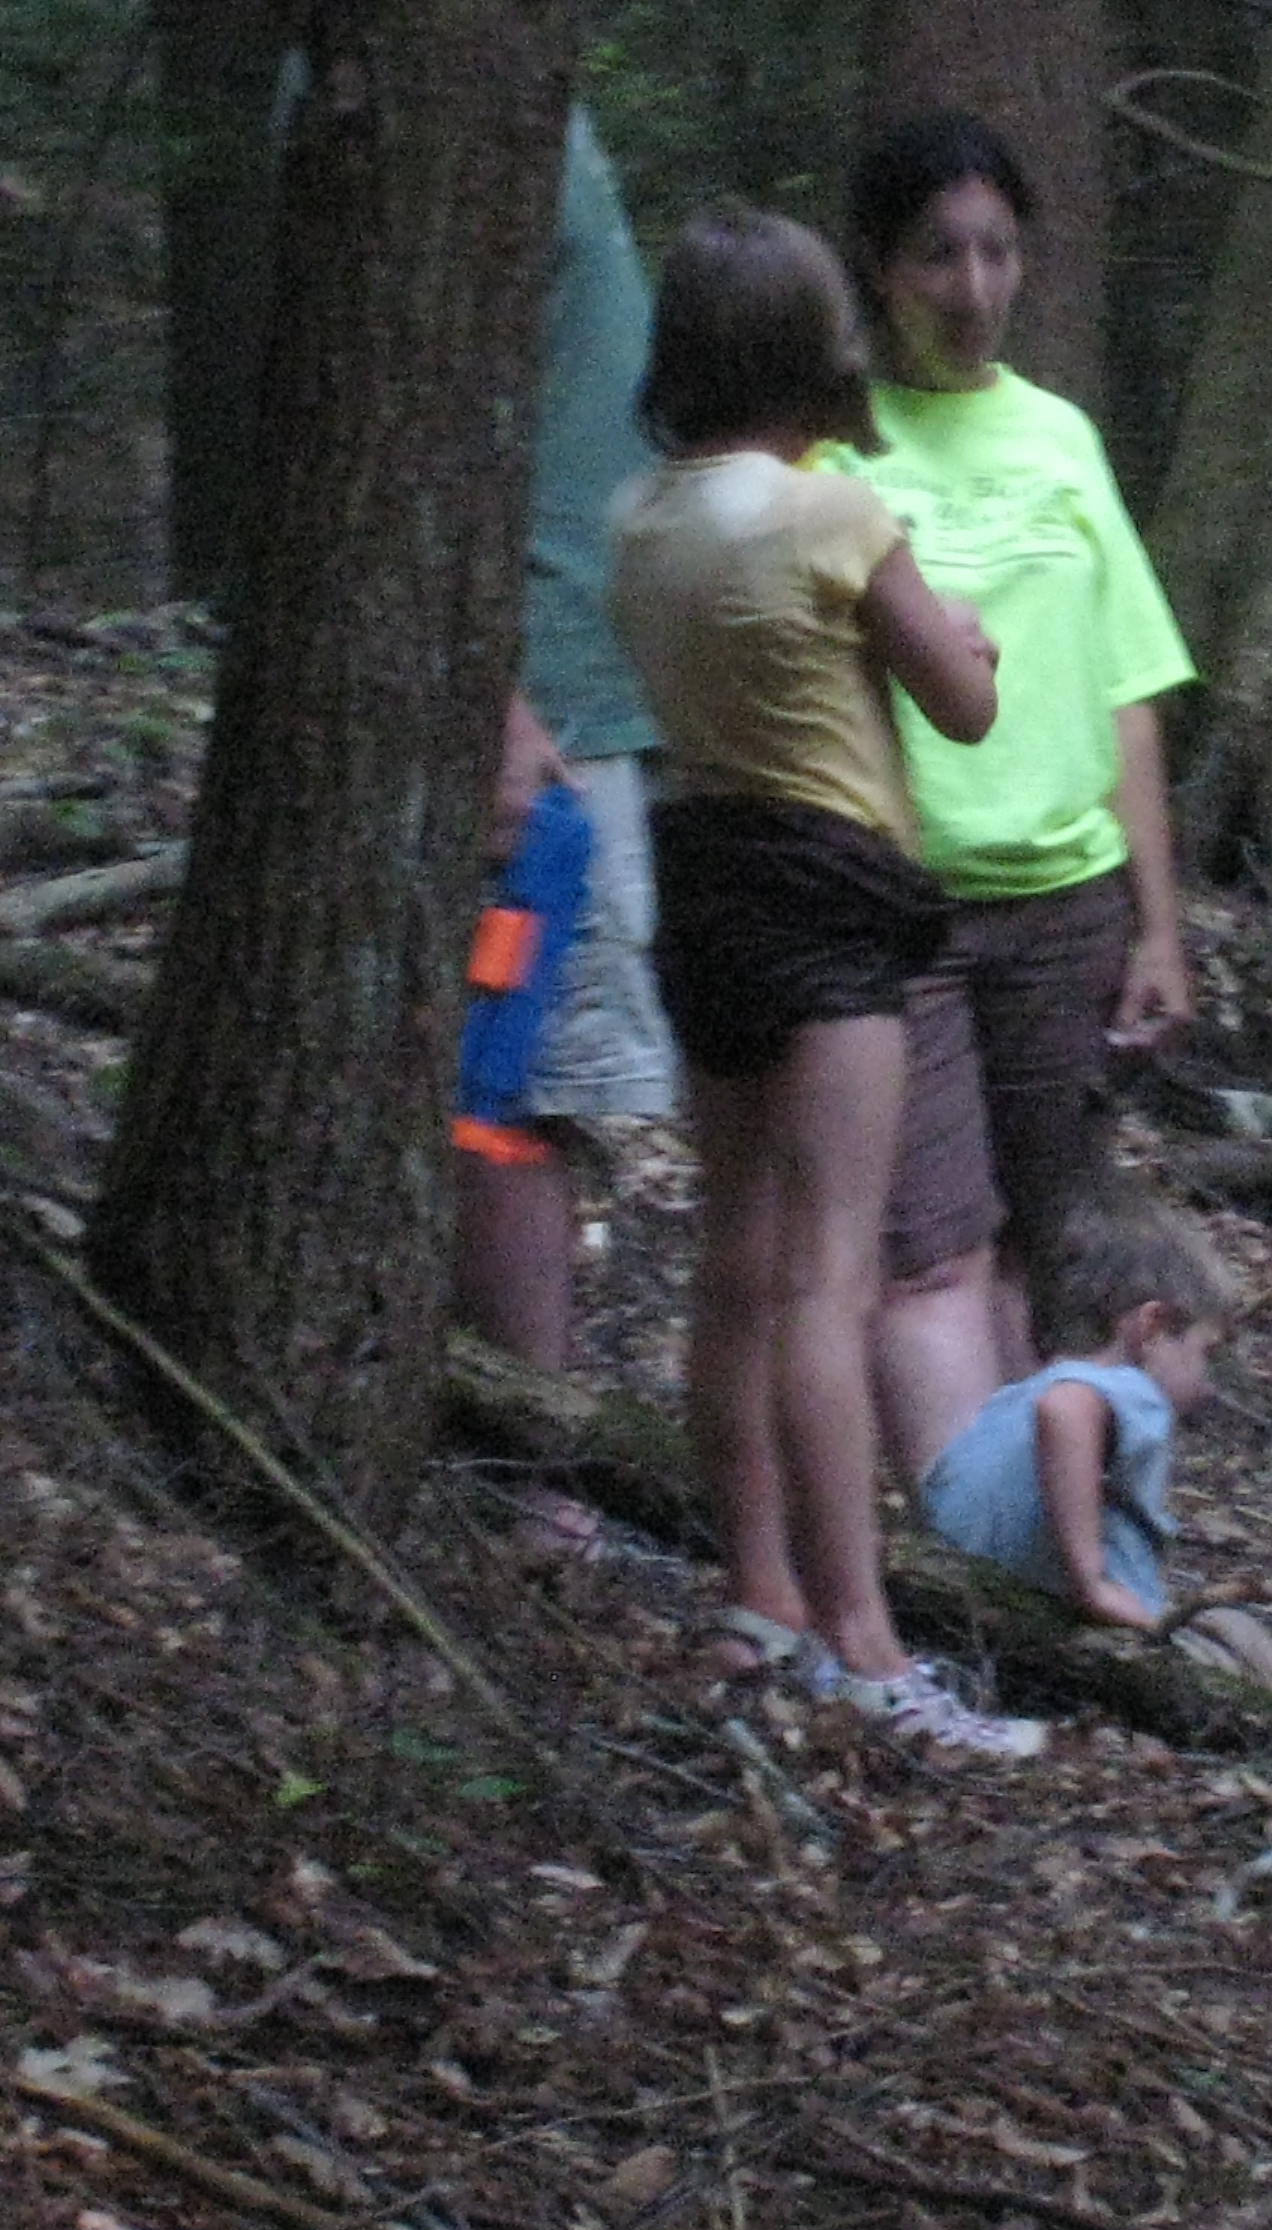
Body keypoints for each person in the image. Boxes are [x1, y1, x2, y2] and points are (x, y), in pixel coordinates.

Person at [606, 204, 1042, 1760]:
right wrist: (963, 634)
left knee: (736, 1260)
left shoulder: (640, 514)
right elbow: (966, 702)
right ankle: (865, 1644)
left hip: (698, 873)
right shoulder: (831, 514)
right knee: (831, 1276)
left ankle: (759, 1595)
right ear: (815, 351)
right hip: (831, 893)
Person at [833, 111, 1200, 1422]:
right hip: (901, 905)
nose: (974, 287)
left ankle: (1043, 1508)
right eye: (939, 254)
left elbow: (1128, 695)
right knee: (933, 1249)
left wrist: (1160, 930)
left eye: (998, 252)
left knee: (1053, 1244)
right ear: (883, 269)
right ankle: (968, 1520)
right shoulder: (837, 448)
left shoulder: (1061, 439)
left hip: (1064, 909)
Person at [449, 109, 681, 1554]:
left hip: (586, 694)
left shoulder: (537, 89)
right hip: (541, 721)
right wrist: (493, 692)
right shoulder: (428, 90)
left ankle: (516, 1450)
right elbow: (407, 412)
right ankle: (527, 1481)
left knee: (540, 1092)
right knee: (513, 1088)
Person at [918, 1189, 1272, 1740]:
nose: (1209, 1386)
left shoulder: (1000, 1408)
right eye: (1206, 1353)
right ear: (1152, 1328)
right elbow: (1066, 1410)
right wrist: (1093, 1584)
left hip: (985, 1650)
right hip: (1098, 1650)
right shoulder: (1123, 1386)